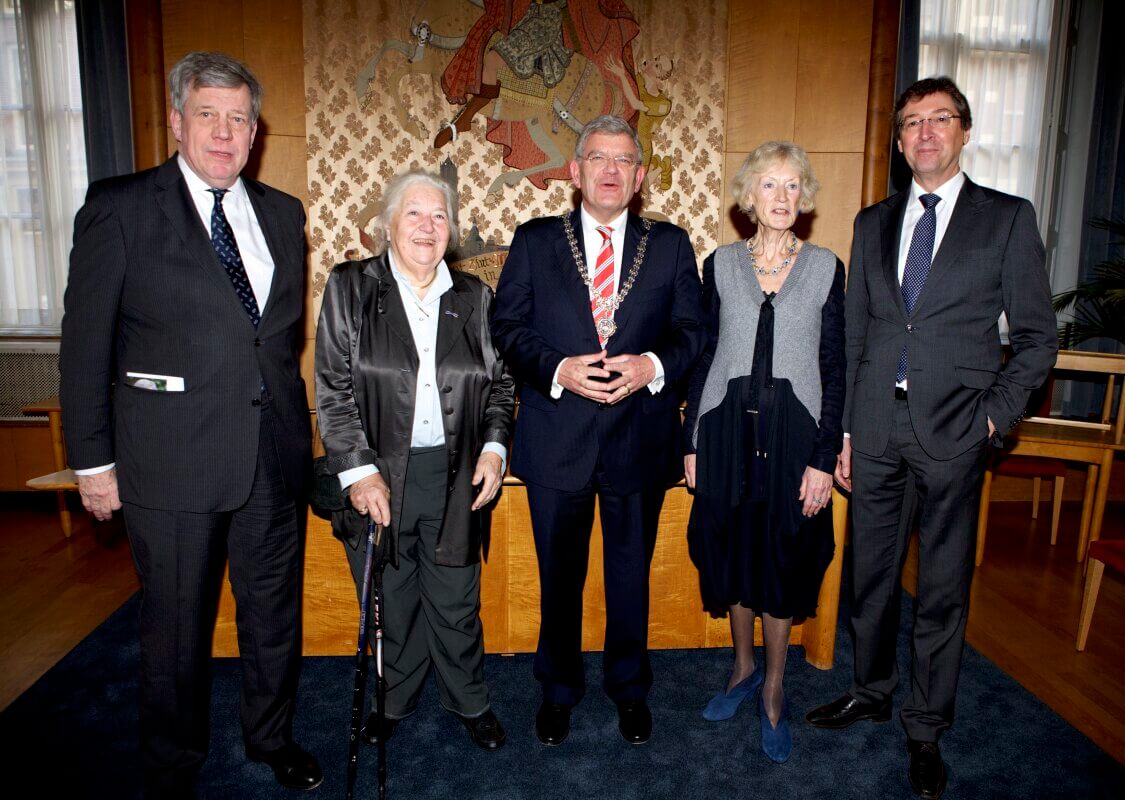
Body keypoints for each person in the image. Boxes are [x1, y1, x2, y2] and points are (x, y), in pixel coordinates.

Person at [59, 52, 321, 796]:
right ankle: (173, 763)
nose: (223, 131)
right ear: (176, 121)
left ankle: (272, 738)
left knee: (273, 616)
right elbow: (87, 345)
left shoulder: (281, 213)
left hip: (271, 455)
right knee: (175, 631)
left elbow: (272, 340)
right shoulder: (121, 207)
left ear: (255, 131)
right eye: (207, 114)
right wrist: (92, 460)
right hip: (169, 462)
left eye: (238, 118)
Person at [804, 77, 1057, 799]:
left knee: (942, 590)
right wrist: (848, 427)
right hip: (877, 430)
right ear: (899, 139)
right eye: (911, 122)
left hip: (956, 431)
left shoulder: (1006, 219)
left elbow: (1038, 339)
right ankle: (871, 689)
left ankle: (925, 728)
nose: (924, 134)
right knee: (870, 580)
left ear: (964, 130)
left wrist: (993, 416)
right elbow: (856, 335)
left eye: (938, 119)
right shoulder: (872, 222)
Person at [490, 114, 704, 746]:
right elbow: (508, 328)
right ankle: (557, 691)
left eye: (623, 161)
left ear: (638, 178)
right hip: (558, 439)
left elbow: (693, 332)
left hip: (640, 438)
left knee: (630, 577)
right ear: (575, 171)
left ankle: (630, 690)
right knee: (558, 578)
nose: (610, 171)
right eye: (597, 158)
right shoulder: (533, 241)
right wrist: (557, 367)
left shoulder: (668, 245)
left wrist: (652, 366)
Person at [314, 170, 515, 751]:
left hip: (455, 476)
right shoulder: (351, 287)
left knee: (457, 598)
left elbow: (500, 387)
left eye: (439, 217)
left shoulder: (474, 298)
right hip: (379, 475)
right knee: (389, 597)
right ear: (387, 225)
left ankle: (470, 700)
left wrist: (495, 449)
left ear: (450, 230)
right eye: (414, 215)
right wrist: (358, 470)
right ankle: (394, 700)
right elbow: (332, 386)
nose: (427, 227)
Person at [683, 142, 845, 763]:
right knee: (732, 548)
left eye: (792, 186)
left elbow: (835, 366)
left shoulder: (828, 267)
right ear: (748, 198)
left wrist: (824, 456)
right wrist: (691, 439)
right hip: (725, 430)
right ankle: (743, 667)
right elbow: (704, 356)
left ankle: (775, 687)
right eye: (769, 186)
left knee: (783, 554)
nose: (782, 197)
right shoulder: (719, 264)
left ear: (803, 199)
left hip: (795, 438)